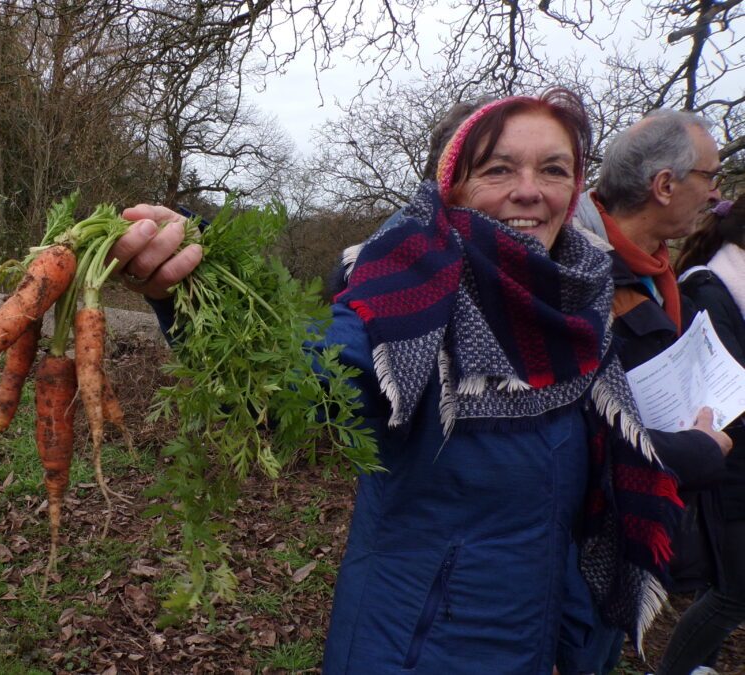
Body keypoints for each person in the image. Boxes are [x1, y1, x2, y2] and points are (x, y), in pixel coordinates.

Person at [111, 89, 684, 673]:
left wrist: (573, 638)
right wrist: (190, 283)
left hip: (535, 644)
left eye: (554, 169)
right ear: (451, 185)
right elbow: (295, 377)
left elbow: (573, 501)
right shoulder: (408, 298)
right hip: (414, 648)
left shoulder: (579, 308)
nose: (530, 189)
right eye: (498, 169)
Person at [559, 111, 732, 675]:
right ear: (664, 185)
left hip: (629, 530)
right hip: (576, 551)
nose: (717, 192)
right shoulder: (575, 272)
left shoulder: (654, 273)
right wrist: (694, 451)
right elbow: (569, 427)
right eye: (710, 176)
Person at [655, 196, 745, 675]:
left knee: (724, 586)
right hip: (723, 462)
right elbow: (727, 379)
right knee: (734, 594)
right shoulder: (711, 288)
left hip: (728, 460)